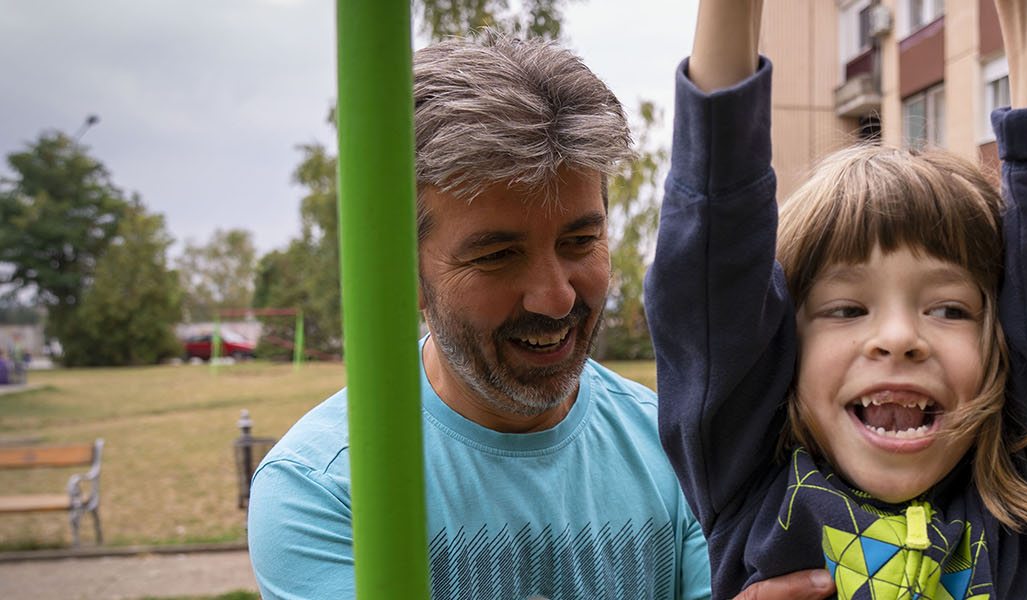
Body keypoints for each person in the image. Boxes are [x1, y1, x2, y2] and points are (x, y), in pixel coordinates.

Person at [247, 33, 828, 600]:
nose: (555, 299)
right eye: (497, 256)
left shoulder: (676, 451)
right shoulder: (321, 493)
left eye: (580, 241)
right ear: (404, 273)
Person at [645, 0, 1027, 598]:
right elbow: (711, 270)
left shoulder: (1026, 480)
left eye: (950, 310)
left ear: (1000, 346)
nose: (899, 338)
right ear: (781, 350)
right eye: (847, 309)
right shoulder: (751, 480)